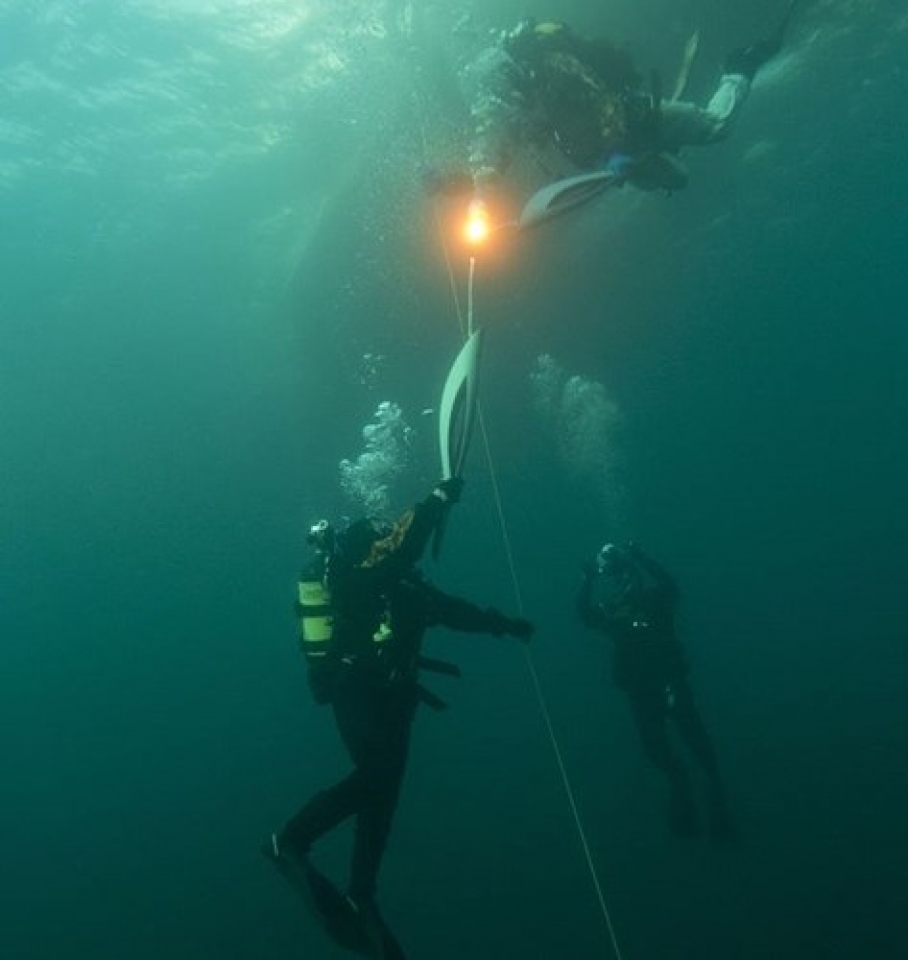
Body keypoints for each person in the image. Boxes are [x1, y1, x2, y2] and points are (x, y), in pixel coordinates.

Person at [267, 477, 534, 956]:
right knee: (375, 775)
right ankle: (290, 840)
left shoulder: (405, 586)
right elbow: (401, 554)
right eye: (379, 540)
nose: (385, 544)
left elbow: (452, 611)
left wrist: (504, 626)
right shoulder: (354, 575)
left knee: (384, 795)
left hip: (396, 698)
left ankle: (362, 894)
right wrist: (434, 501)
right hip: (355, 692)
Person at [450, 7, 793, 204]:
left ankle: (739, 69)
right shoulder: (508, 102)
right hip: (611, 158)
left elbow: (601, 98)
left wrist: (615, 148)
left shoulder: (553, 65)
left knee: (718, 128)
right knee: (679, 180)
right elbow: (495, 144)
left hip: (642, 121)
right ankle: (669, 149)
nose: (504, 92)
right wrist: (467, 183)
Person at [576, 542, 734, 842]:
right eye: (618, 575)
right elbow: (584, 614)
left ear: (635, 575)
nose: (624, 580)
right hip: (642, 693)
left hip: (671, 684)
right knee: (656, 750)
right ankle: (681, 783)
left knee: (696, 741)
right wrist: (588, 579)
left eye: (627, 573)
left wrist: (642, 558)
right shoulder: (614, 612)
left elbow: (670, 584)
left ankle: (716, 796)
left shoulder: (657, 601)